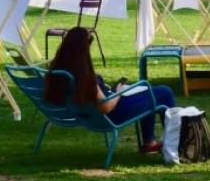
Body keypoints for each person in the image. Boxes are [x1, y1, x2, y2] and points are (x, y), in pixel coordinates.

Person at [45, 26, 175, 153]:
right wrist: (118, 92)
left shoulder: (59, 72)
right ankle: (173, 143)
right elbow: (106, 107)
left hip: (88, 116)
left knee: (150, 92)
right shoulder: (83, 77)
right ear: (83, 48)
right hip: (112, 115)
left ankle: (150, 143)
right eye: (90, 43)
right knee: (164, 92)